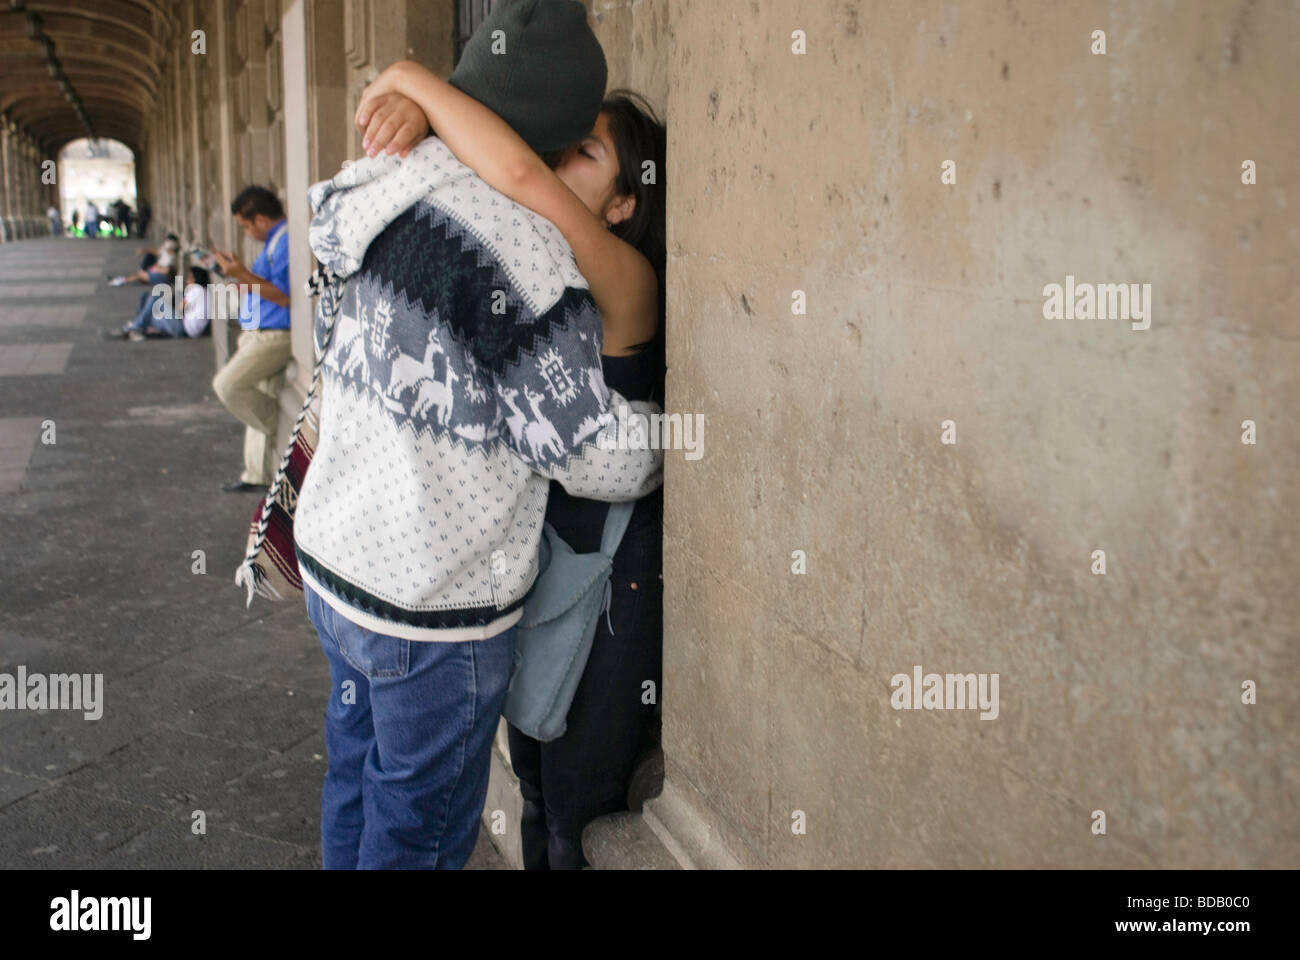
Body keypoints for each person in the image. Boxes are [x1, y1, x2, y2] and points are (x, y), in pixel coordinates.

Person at [293, 0, 663, 870]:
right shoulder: (522, 255)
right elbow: (591, 456)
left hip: (335, 571)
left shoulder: (377, 179)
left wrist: (412, 88)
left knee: (353, 779)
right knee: (415, 831)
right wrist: (667, 436)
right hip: (424, 615)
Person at [210, 186, 292, 493]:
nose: (246, 233)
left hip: (275, 334)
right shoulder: (274, 242)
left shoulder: (285, 241)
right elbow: (264, 286)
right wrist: (240, 277)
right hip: (260, 329)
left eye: (245, 226)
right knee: (257, 395)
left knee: (229, 386)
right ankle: (258, 475)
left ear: (259, 219)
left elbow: (283, 296)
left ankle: (282, 426)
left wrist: (242, 272)